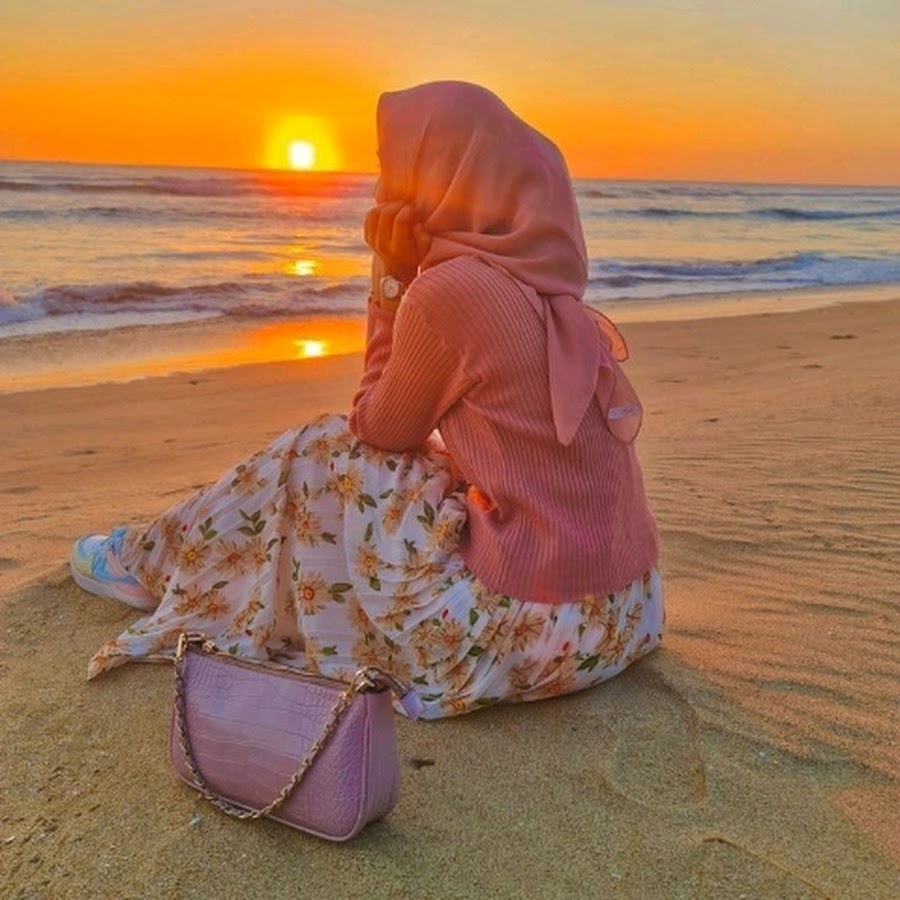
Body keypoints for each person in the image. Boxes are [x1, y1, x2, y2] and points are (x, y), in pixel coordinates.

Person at [71, 81, 663, 719]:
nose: (384, 186)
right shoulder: (544, 281)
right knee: (429, 466)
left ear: (441, 174)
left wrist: (390, 280)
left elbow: (377, 428)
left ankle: (146, 561)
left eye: (395, 166)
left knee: (325, 446)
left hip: (525, 635)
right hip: (625, 616)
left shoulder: (455, 291)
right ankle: (167, 554)